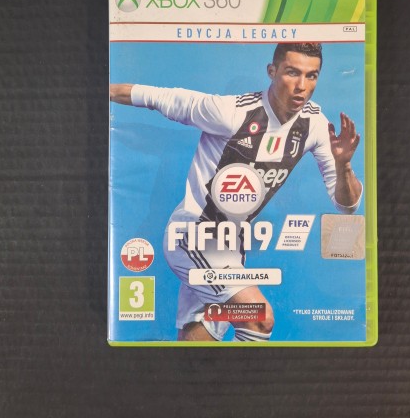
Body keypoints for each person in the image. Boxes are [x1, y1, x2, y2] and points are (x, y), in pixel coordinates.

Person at [110, 43, 362, 342]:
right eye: (292, 73)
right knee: (259, 318)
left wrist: (344, 165)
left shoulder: (315, 126)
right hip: (194, 236)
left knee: (197, 340)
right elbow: (155, 97)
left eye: (312, 76)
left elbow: (347, 205)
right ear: (272, 71)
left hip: (230, 246)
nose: (301, 86)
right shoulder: (231, 113)